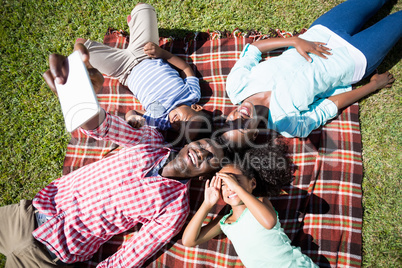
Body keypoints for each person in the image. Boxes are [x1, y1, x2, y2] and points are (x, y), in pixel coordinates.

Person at [0, 43, 228, 268]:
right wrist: (80, 96)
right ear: (190, 144)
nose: (202, 152)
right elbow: (103, 126)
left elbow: (131, 256)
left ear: (203, 176)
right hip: (25, 214)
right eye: (202, 144)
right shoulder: (152, 140)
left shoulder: (174, 210)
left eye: (210, 158)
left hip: (48, 256)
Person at [221, 0, 401, 148]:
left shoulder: (236, 86)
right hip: (354, 59)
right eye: (241, 127)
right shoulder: (288, 125)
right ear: (254, 135)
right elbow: (329, 106)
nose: (238, 118)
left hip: (322, 31)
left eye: (230, 121)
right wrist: (373, 86)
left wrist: (294, 41)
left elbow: (252, 50)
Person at [76, 3, 210, 141]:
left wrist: (133, 118)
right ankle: (135, 28)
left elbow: (132, 113)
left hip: (124, 70)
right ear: (196, 107)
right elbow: (185, 68)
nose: (178, 124)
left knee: (80, 47)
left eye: (180, 131)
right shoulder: (192, 95)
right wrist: (162, 53)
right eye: (185, 122)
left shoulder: (160, 120)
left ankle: (135, 29)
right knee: (143, 7)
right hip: (147, 52)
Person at [182, 142, 318, 267]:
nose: (229, 187)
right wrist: (207, 204)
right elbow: (189, 241)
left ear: (252, 183)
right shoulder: (224, 222)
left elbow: (269, 222)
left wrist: (237, 188)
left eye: (234, 180)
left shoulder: (261, 202)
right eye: (224, 184)